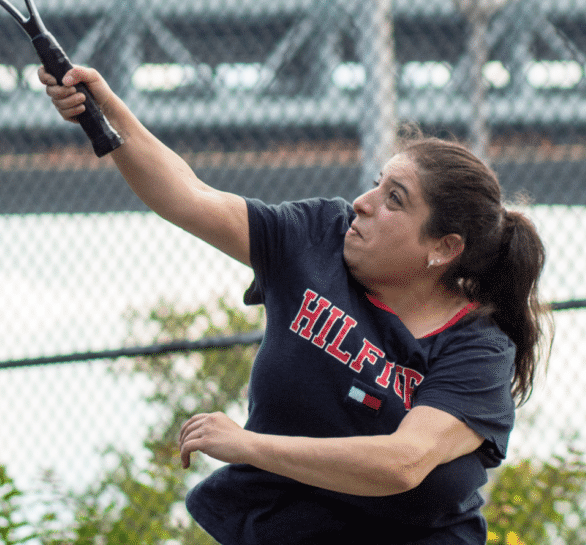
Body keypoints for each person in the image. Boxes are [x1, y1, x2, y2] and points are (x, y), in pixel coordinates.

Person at [39, 64, 551, 545]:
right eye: (377, 184)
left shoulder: (477, 346)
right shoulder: (317, 237)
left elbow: (401, 462)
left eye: (395, 199)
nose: (363, 202)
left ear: (444, 248)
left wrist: (247, 445)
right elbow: (187, 195)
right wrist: (103, 107)